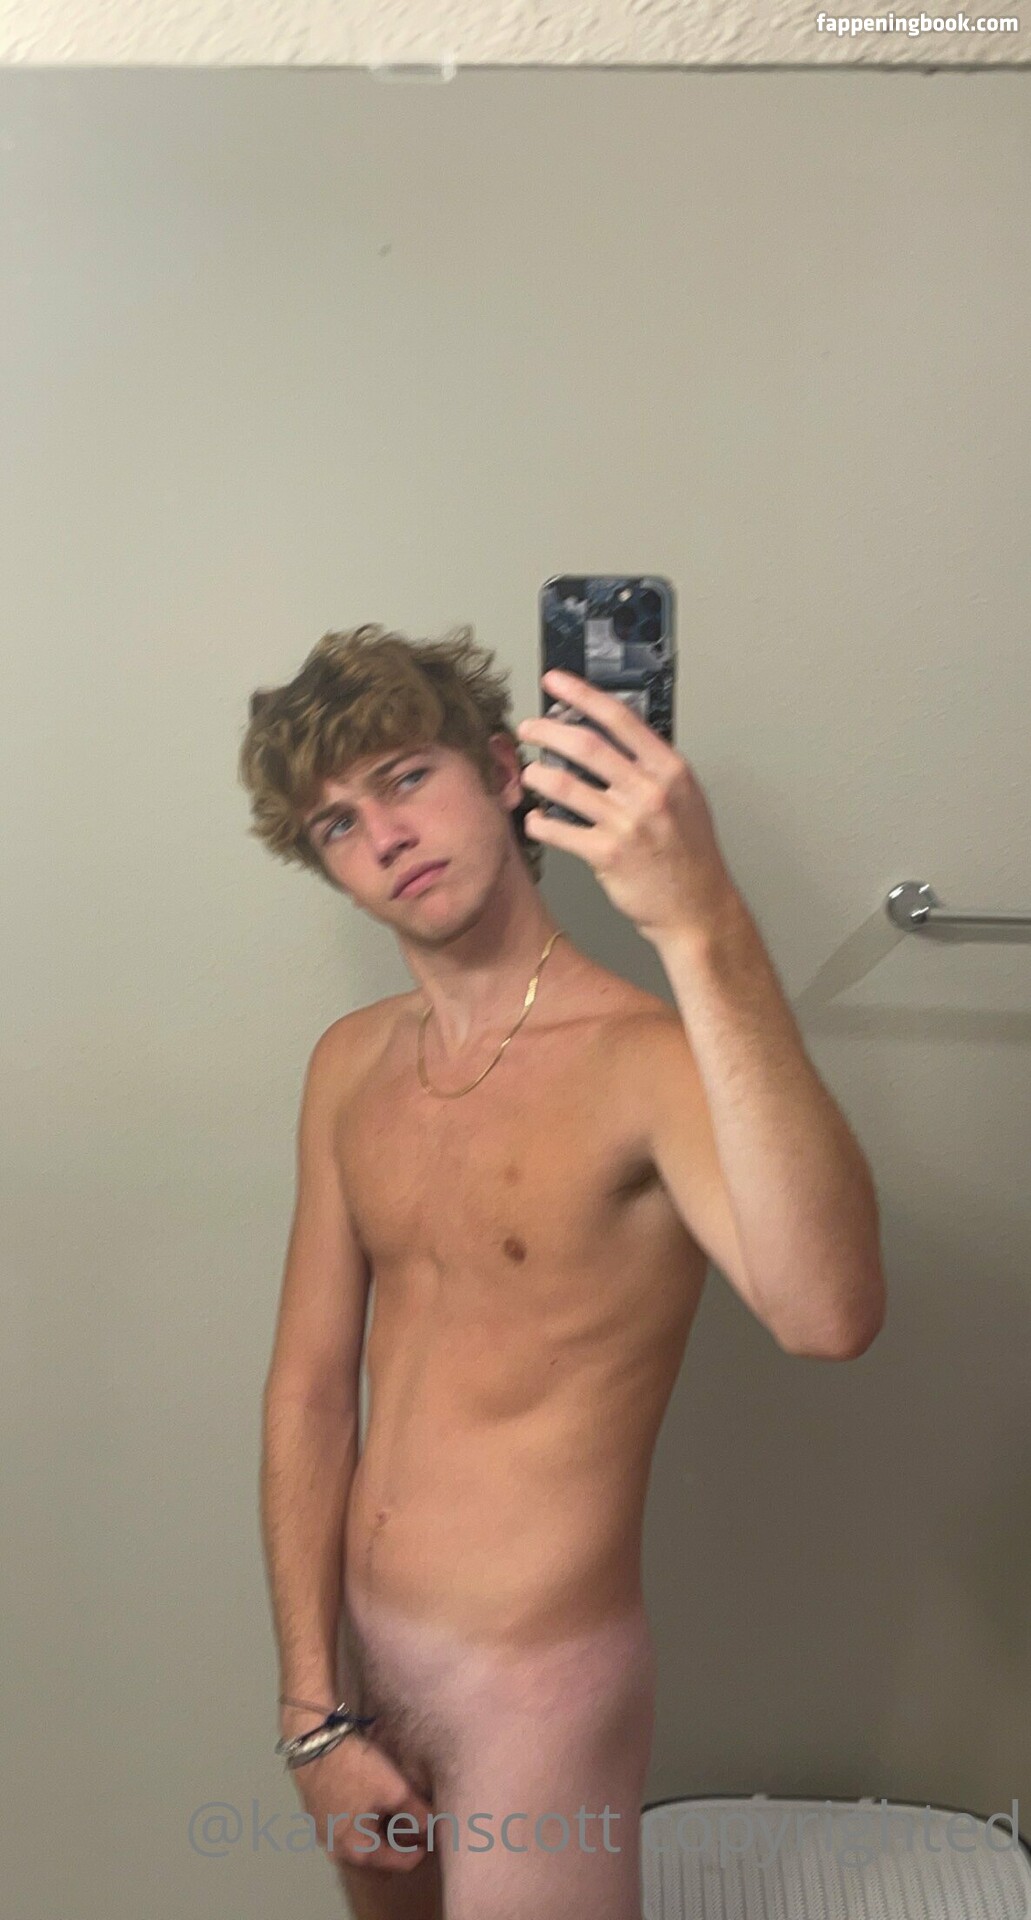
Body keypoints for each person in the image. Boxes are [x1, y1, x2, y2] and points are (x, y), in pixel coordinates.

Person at [240, 623, 885, 1920]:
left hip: (536, 1691)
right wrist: (312, 1708)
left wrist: (702, 922)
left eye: (408, 777)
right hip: (363, 1668)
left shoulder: (648, 1061)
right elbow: (309, 1393)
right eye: (338, 824)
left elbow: (828, 1313)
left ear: (501, 773)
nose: (386, 835)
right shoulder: (348, 1066)